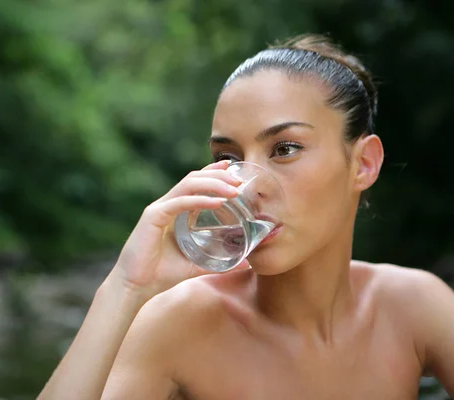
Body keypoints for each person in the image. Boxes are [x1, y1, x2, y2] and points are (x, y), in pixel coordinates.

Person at [38, 34, 454, 399]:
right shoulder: (181, 323)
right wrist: (125, 288)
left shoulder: (415, 308)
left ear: (363, 163)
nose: (244, 187)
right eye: (228, 157)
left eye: (285, 148)